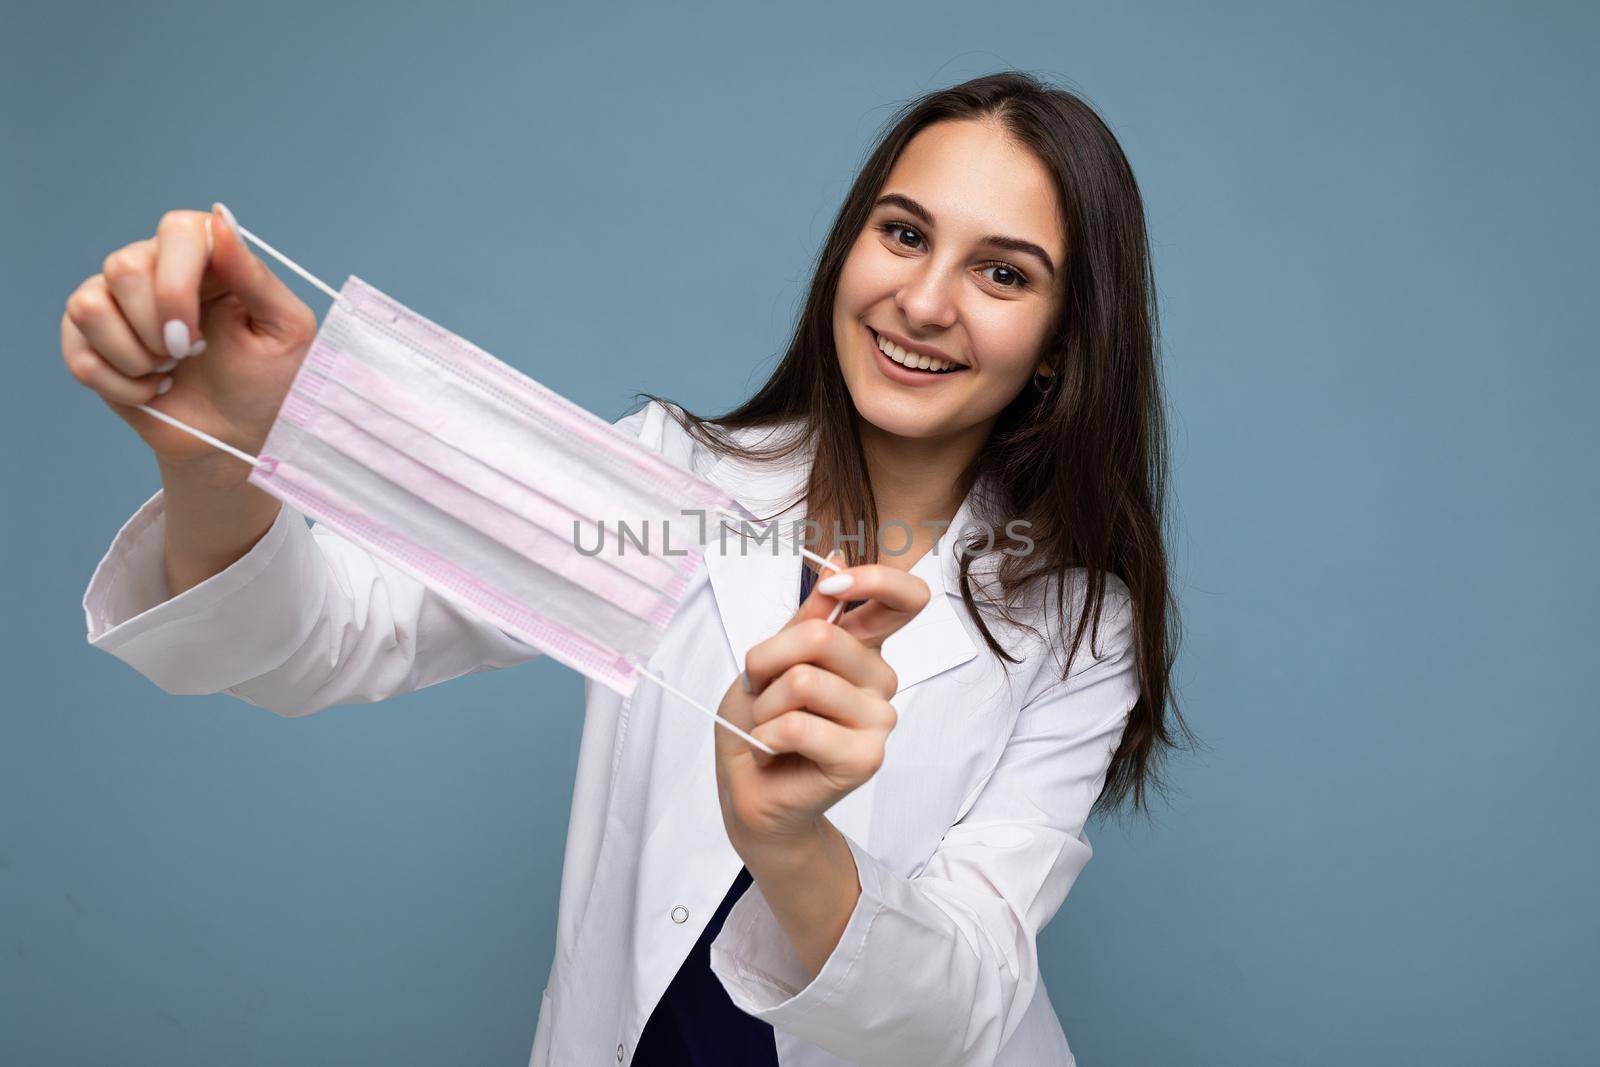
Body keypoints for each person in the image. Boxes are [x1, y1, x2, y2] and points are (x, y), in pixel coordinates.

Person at [63, 71, 1189, 1066]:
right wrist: (219, 461)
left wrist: (788, 845)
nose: (927, 299)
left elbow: (964, 1008)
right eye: (902, 233)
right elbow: (322, 644)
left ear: (1058, 346)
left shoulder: (1078, 626)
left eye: (1002, 273)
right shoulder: (665, 485)